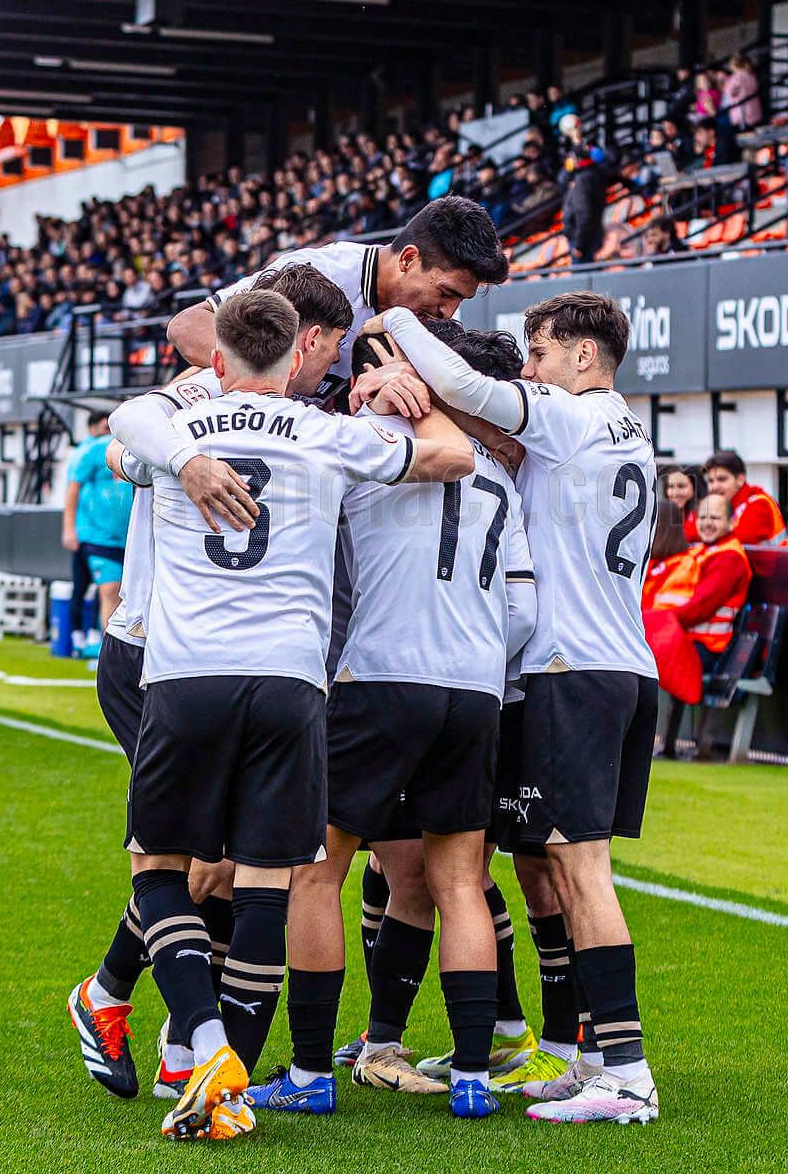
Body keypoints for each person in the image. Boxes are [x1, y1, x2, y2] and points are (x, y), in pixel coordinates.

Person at [119, 290, 472, 1143]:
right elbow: (450, 458)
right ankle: (228, 1086)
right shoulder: (329, 434)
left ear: (215, 360)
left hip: (186, 675)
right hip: (291, 682)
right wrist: (401, 387)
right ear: (298, 358)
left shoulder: (178, 429)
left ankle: (205, 1044)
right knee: (268, 883)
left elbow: (124, 428)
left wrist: (186, 454)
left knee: (159, 866)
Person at [73, 264, 356, 1106]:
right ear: (300, 338)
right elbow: (125, 443)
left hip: (231, 662)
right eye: (330, 345)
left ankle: (152, 1020)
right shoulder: (196, 398)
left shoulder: (305, 420)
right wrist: (184, 458)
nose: (331, 363)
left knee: (231, 864)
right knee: (206, 862)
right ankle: (170, 1030)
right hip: (157, 650)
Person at [379, 290, 663, 1125]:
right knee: (541, 865)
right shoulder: (628, 433)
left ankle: (627, 1073)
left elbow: (465, 385)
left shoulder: (573, 419)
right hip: (612, 664)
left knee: (579, 867)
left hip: (572, 667)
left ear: (584, 356)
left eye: (540, 353)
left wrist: (393, 321)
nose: (530, 368)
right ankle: (577, 1056)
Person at [254, 320, 535, 1120]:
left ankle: (310, 1075)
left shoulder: (361, 439)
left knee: (318, 871)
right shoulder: (500, 479)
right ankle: (475, 1077)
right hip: (475, 690)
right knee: (459, 883)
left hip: (382, 676)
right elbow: (521, 608)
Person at [166, 195, 507, 410]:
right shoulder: (318, 274)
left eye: (460, 300)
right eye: (446, 293)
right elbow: (187, 326)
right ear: (408, 260)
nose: (447, 312)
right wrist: (273, 382)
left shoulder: (425, 320)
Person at [649, 494, 753, 763]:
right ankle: (662, 743)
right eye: (704, 517)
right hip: (686, 637)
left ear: (731, 521)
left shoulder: (729, 558)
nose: (707, 523)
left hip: (708, 647)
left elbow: (700, 608)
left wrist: (659, 621)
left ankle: (656, 742)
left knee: (644, 659)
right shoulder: (700, 550)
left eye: (715, 518)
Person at [61, 409, 132, 659]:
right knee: (108, 590)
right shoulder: (93, 450)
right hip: (97, 535)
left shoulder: (139, 447)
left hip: (130, 538)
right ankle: (103, 652)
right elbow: (73, 487)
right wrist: (69, 528)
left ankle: (114, 649)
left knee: (125, 594)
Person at [705, 451, 788, 546]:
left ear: (740, 479)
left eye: (722, 479)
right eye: (710, 481)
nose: (714, 486)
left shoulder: (759, 503)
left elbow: (738, 540)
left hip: (773, 561)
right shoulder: (724, 505)